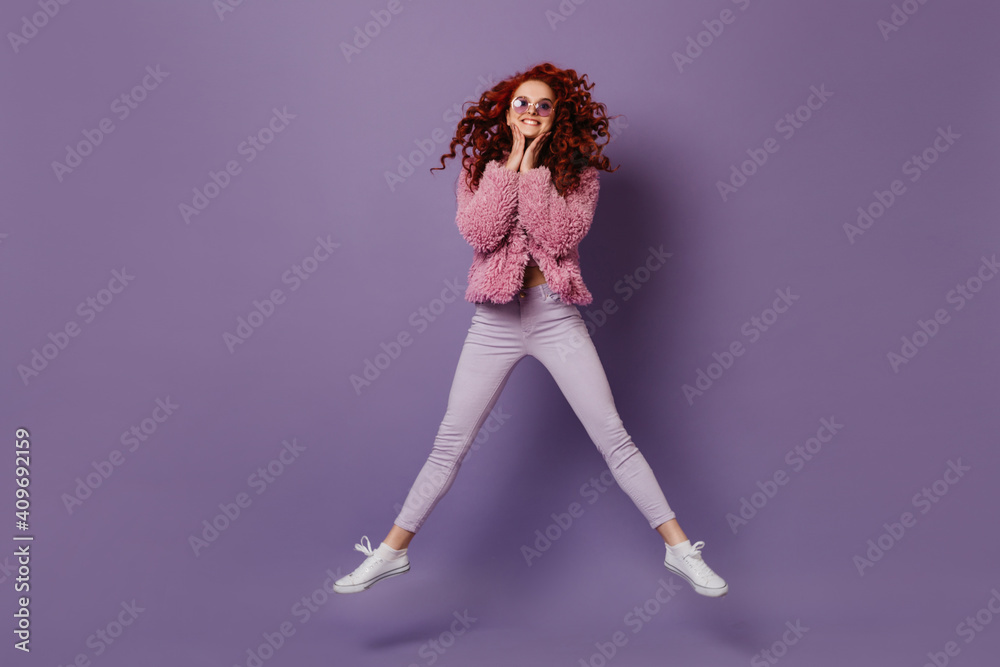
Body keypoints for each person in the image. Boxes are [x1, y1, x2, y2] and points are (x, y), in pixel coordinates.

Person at [334, 63, 727, 598]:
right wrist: (512, 164)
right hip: (492, 323)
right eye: (522, 102)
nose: (530, 112)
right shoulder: (479, 169)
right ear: (506, 108)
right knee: (449, 443)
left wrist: (535, 168)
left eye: (543, 105)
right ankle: (391, 552)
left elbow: (560, 236)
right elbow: (481, 232)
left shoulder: (578, 174)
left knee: (613, 436)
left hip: (554, 317)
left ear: (557, 116)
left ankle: (680, 550)